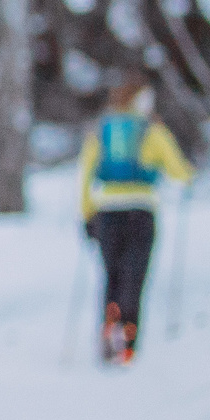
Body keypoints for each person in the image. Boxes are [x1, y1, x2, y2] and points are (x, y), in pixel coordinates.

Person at [76, 83, 194, 364]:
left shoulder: (102, 131)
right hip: (141, 212)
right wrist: (189, 176)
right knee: (134, 276)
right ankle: (128, 340)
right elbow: (178, 170)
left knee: (111, 274)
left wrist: (87, 214)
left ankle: (109, 325)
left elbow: (85, 174)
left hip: (107, 212)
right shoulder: (152, 131)